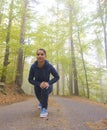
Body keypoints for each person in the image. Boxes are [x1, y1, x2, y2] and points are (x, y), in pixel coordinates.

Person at [28, 48, 60, 118]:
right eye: (38, 54)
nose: (40, 56)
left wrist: (48, 83)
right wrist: (39, 84)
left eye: (42, 54)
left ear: (45, 56)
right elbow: (30, 79)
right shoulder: (33, 67)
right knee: (40, 95)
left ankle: (44, 109)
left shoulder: (49, 66)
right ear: (36, 56)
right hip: (37, 86)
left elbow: (57, 77)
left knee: (44, 88)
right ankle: (41, 102)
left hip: (48, 85)